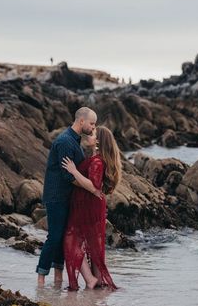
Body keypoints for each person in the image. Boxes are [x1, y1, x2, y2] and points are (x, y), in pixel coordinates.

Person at [36, 107, 101, 286]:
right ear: (81, 121)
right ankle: (41, 278)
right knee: (55, 237)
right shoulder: (65, 141)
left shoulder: (75, 141)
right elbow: (68, 176)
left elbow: (80, 168)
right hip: (57, 196)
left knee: (62, 236)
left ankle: (58, 276)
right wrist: (90, 188)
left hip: (66, 197)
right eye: (92, 123)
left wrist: (93, 147)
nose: (93, 127)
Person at [61, 125, 122, 291]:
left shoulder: (97, 161)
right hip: (89, 204)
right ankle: (98, 280)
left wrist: (74, 171)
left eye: (93, 133)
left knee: (70, 240)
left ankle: (90, 280)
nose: (89, 133)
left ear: (99, 140)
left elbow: (93, 186)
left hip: (88, 205)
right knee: (94, 243)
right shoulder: (96, 158)